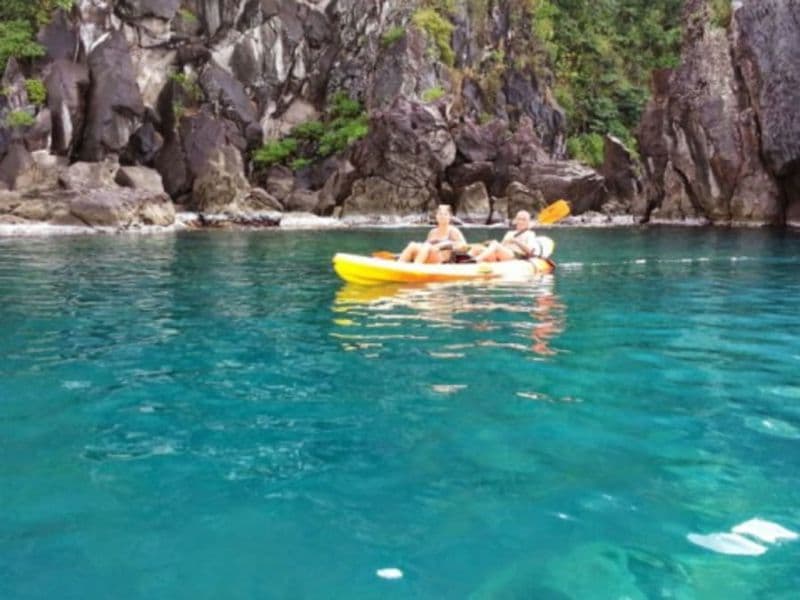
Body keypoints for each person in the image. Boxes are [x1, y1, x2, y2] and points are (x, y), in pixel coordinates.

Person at [397, 204, 467, 264]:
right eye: (440, 214)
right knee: (413, 245)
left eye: (445, 214)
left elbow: (464, 246)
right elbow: (423, 248)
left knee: (427, 246)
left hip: (441, 258)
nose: (442, 216)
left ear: (450, 217)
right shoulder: (432, 232)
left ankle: (416, 267)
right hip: (428, 255)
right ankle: (399, 265)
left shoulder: (453, 231)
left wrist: (444, 244)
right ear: (436, 216)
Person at [474, 210, 539, 262]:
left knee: (495, 244)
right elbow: (501, 246)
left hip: (516, 256)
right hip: (505, 254)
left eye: (524, 219)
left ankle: (476, 260)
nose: (521, 222)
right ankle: (466, 261)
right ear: (515, 221)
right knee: (478, 248)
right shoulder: (510, 233)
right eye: (519, 219)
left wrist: (516, 241)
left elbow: (530, 251)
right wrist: (503, 243)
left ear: (528, 222)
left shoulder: (530, 234)